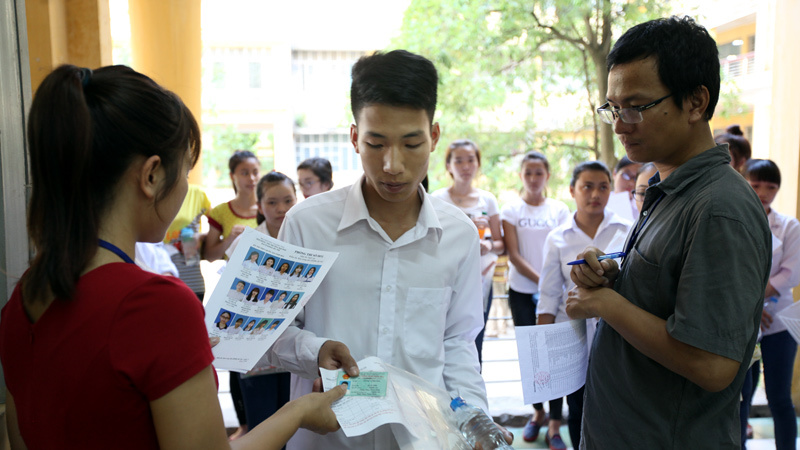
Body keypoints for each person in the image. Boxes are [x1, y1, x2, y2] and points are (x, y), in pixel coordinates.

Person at [0, 64, 349, 449]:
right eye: (184, 170)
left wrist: (177, 350)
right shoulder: (154, 305)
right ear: (151, 175)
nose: (185, 186)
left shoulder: (23, 298)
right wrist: (297, 412)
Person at [266, 50, 510, 449]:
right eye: (375, 144)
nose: (392, 165)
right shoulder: (307, 225)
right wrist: (315, 351)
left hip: (423, 438)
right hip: (329, 440)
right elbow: (274, 332)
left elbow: (458, 342)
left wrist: (475, 417)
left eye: (411, 143)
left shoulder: (458, 235)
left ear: (433, 136)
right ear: (353, 137)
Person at [568, 17, 771, 449]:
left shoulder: (719, 208)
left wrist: (608, 305)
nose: (620, 125)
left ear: (696, 102)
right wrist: (614, 280)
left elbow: (713, 364)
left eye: (636, 107)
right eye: (612, 108)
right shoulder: (669, 188)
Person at [536, 161, 632, 449]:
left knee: (616, 403)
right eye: (587, 186)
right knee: (577, 406)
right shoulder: (557, 238)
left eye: (603, 187)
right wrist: (543, 341)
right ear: (572, 191)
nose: (595, 194)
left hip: (617, 331)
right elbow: (549, 293)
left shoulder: (626, 230)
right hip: (572, 335)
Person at [500, 150, 569, 443]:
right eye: (527, 173)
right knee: (531, 357)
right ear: (521, 176)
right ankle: (537, 413)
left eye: (538, 173)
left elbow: (565, 252)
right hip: (521, 292)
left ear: (547, 176)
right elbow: (513, 255)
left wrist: (550, 287)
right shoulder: (511, 210)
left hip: (553, 297)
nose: (533, 178)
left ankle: (555, 422)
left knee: (552, 356)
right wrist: (544, 281)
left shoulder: (560, 210)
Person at [227, 171, 298, 434]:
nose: (281, 209)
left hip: (297, 349)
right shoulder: (244, 245)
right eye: (272, 202)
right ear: (259, 205)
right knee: (264, 429)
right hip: (256, 354)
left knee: (296, 428)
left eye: (288, 200)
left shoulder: (307, 240)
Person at [739, 159, 800, 450]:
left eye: (771, 186)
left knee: (779, 397)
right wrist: (751, 307)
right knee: (741, 397)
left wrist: (756, 301)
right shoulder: (734, 221)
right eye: (756, 185)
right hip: (741, 321)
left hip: (777, 322)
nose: (763, 192)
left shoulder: (789, 226)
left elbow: (791, 272)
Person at [431, 139, 504, 366]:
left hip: (481, 280)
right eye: (458, 160)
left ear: (478, 164)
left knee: (475, 340)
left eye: (471, 160)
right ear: (448, 166)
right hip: (445, 279)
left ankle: (471, 395)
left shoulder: (488, 200)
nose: (465, 166)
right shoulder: (436, 199)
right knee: (441, 338)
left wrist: (489, 246)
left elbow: (501, 244)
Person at [204, 150, 260, 262]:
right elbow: (210, 256)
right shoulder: (220, 212)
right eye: (245, 173)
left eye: (255, 172)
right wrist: (229, 239)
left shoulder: (267, 209)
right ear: (232, 176)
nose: (251, 178)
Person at [163, 184, 211, 301]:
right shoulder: (151, 194)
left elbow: (218, 224)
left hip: (193, 282)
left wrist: (201, 236)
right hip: (162, 283)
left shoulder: (197, 194)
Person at [607, 156, 641, 221]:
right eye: (626, 175)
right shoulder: (603, 203)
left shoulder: (643, 205)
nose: (631, 183)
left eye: (636, 178)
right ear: (615, 173)